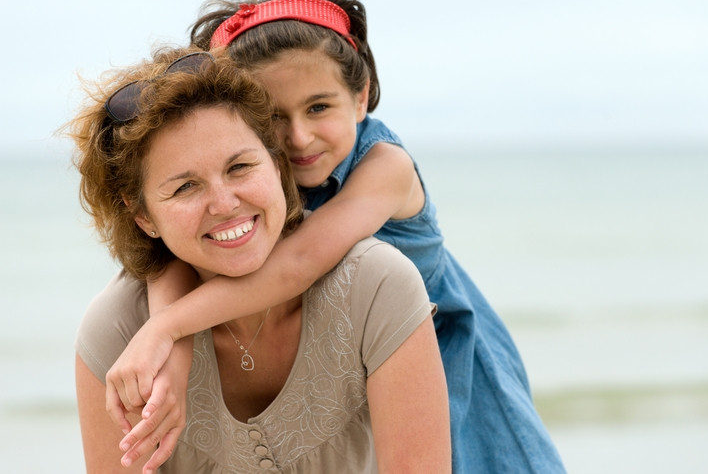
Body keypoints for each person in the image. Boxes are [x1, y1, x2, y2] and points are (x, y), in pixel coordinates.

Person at [105, 0, 566, 473]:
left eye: (319, 107)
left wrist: (168, 327)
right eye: (276, 118)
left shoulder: (386, 167)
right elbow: (171, 259)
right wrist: (166, 347)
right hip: (354, 371)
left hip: (444, 354)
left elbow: (298, 263)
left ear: (362, 95)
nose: (299, 138)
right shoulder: (256, 183)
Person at [68, 47, 450, 473]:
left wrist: (169, 327)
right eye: (185, 187)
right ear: (142, 216)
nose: (225, 203)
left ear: (276, 163)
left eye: (240, 167)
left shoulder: (376, 287)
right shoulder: (118, 329)